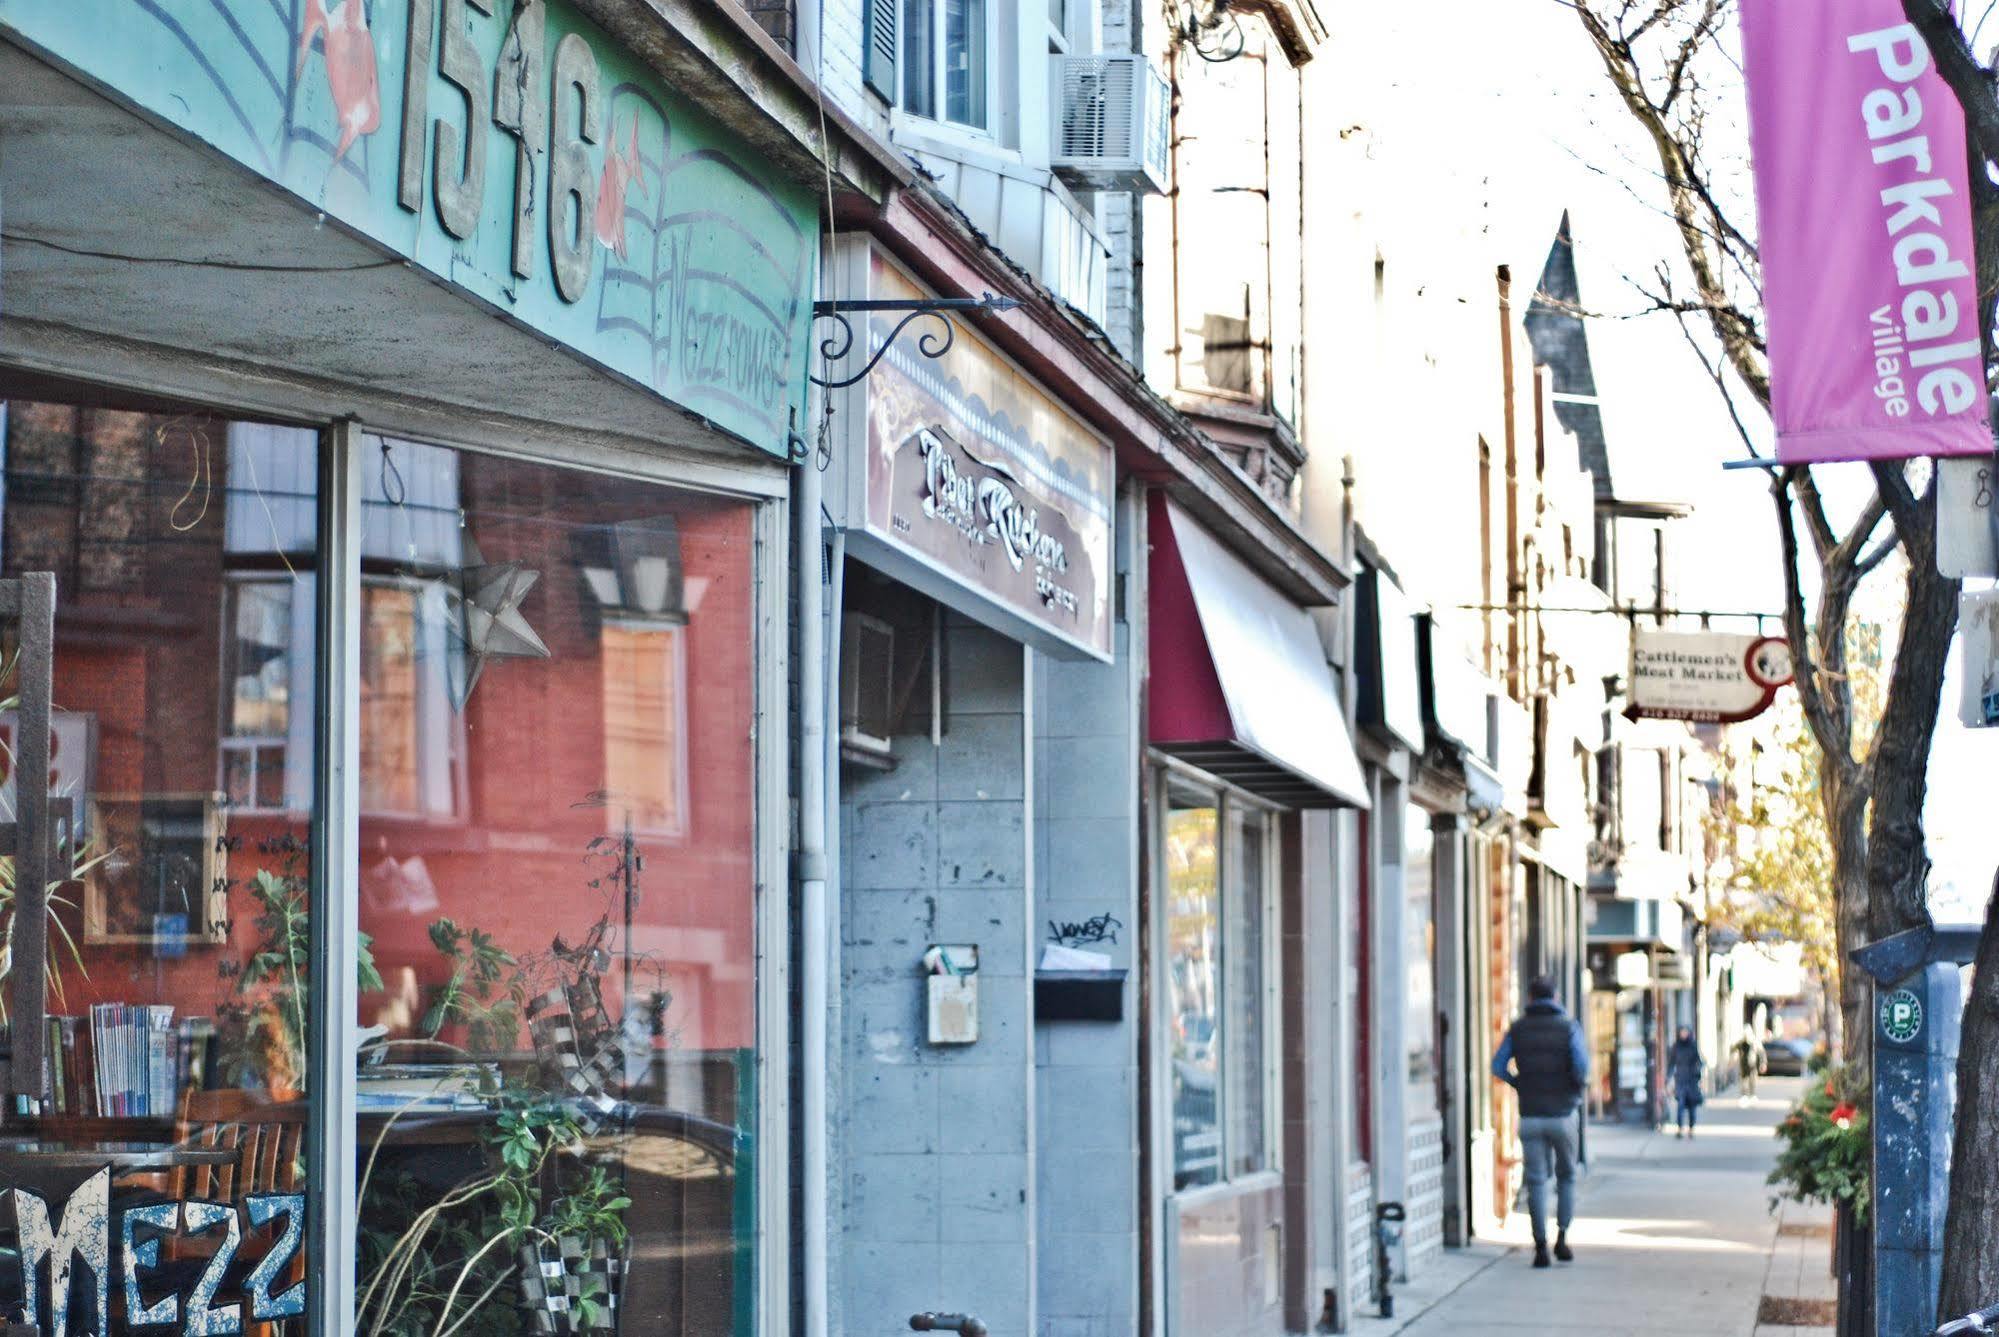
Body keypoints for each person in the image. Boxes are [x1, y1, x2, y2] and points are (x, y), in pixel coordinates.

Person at [1492, 975, 1587, 1269]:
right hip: (1563, 1114)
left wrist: (1519, 1083)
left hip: (1531, 1114)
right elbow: (1582, 1068)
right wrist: (1572, 1089)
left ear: (1530, 999)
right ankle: (1562, 1237)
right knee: (1567, 1176)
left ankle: (1540, 1245)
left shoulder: (1518, 1029)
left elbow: (1498, 1065)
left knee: (1536, 1180)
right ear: (1556, 997)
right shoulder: (1569, 1027)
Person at [1668, 1026, 1704, 1137]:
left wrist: (1698, 1075)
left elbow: (1699, 1061)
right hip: (1680, 1080)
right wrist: (1668, 1078)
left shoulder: (1692, 1046)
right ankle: (1679, 1128)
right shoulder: (1676, 1047)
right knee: (1681, 1105)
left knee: (1692, 1106)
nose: (1683, 1034)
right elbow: (1671, 1063)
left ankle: (1691, 1128)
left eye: (1685, 1032)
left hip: (1692, 1080)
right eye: (1682, 1032)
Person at [1734, 1031, 1767, 1104]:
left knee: (1752, 1080)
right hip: (1743, 1065)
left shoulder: (1755, 1042)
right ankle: (1744, 1095)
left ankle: (1752, 1095)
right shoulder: (1741, 1043)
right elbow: (1734, 1049)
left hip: (1752, 1064)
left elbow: (1761, 1052)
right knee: (1744, 1081)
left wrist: (1763, 1063)